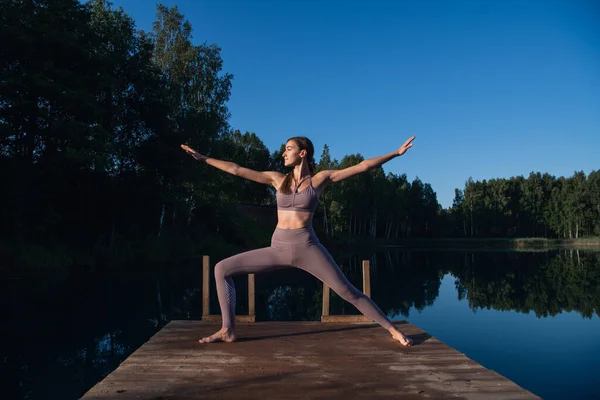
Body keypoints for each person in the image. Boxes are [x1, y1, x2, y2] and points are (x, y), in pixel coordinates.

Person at [181, 135, 415, 346]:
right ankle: (227, 329)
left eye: (288, 148)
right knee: (222, 269)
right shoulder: (277, 179)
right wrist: (204, 159)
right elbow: (236, 169)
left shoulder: (320, 180)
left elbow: (362, 166)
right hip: (277, 249)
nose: (283, 153)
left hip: (308, 248)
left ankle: (392, 329)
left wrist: (395, 153)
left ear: (302, 153)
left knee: (348, 292)